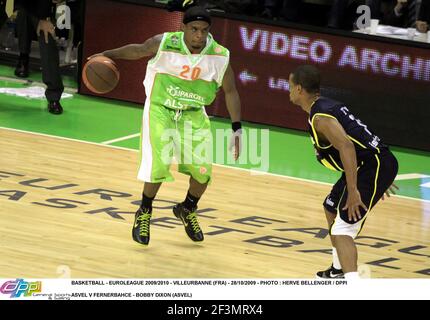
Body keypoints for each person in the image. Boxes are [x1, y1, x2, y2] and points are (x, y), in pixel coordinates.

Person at [89, 5, 242, 246]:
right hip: (161, 109)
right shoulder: (164, 42)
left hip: (193, 114)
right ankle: (144, 212)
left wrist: (237, 128)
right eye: (194, 29)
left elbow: (231, 91)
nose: (199, 36)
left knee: (203, 175)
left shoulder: (220, 55)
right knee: (159, 166)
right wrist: (107, 54)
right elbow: (137, 51)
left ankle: (187, 208)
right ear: (183, 28)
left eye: (204, 30)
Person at [288, 65, 398, 279]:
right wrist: (381, 176)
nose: (289, 91)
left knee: (342, 230)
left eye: (290, 86)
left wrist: (357, 188)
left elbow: (347, 146)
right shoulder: (324, 107)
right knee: (331, 207)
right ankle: (338, 270)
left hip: (371, 165)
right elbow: (359, 138)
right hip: (368, 164)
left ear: (300, 89)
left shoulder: (321, 117)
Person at [14, 0, 64, 114]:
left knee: (46, 33)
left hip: (42, 5)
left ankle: (54, 96)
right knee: (23, 13)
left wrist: (44, 18)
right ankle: (23, 56)